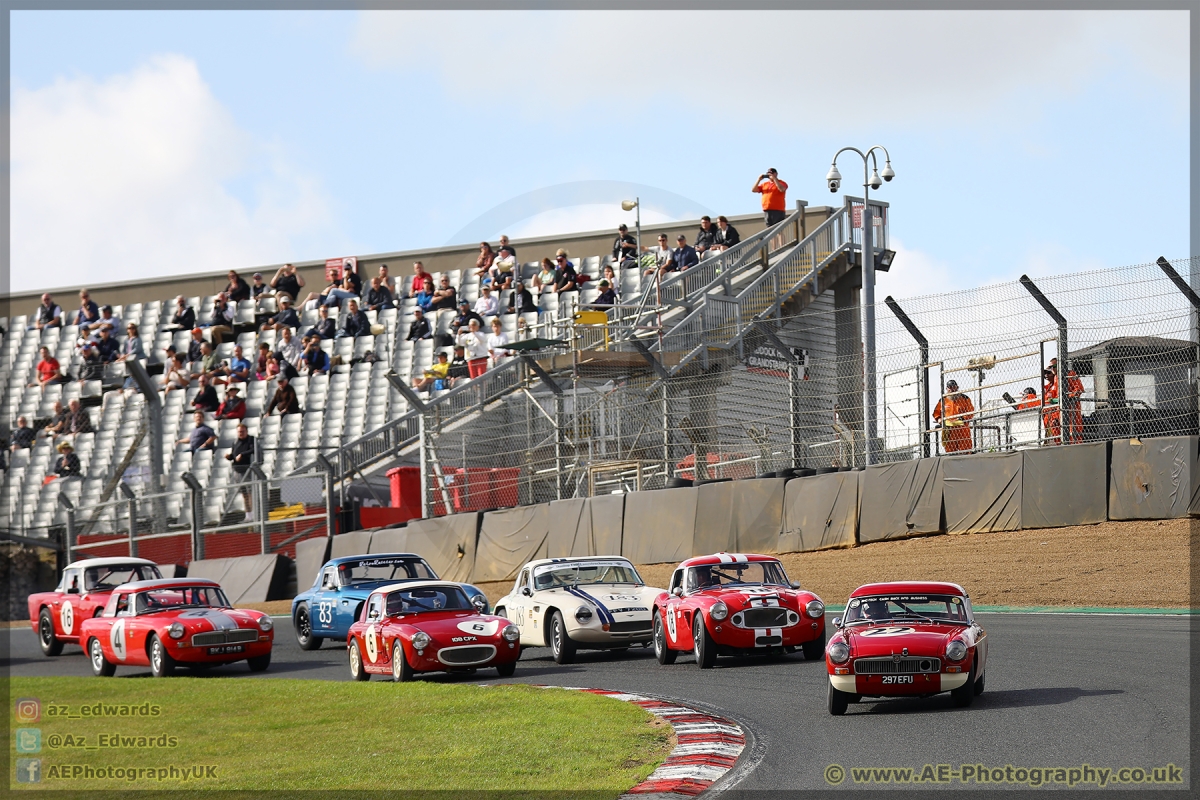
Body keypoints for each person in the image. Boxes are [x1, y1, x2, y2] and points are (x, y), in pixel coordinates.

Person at [932, 379, 974, 453]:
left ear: (957, 387)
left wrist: (963, 418)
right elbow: (936, 413)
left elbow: (970, 411)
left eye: (953, 387)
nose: (952, 389)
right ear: (947, 389)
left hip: (962, 429)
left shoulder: (965, 399)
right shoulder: (943, 400)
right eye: (950, 388)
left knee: (965, 451)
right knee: (950, 452)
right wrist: (939, 420)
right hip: (949, 430)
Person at [226, 423, 256, 520]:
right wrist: (229, 457)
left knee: (250, 493)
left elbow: (253, 450)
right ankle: (248, 515)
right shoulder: (235, 442)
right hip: (237, 471)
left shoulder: (251, 440)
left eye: (242, 431)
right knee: (244, 494)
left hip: (247, 470)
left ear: (246, 431)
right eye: (239, 432)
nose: (241, 433)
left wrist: (242, 455)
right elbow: (234, 455)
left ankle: (254, 513)